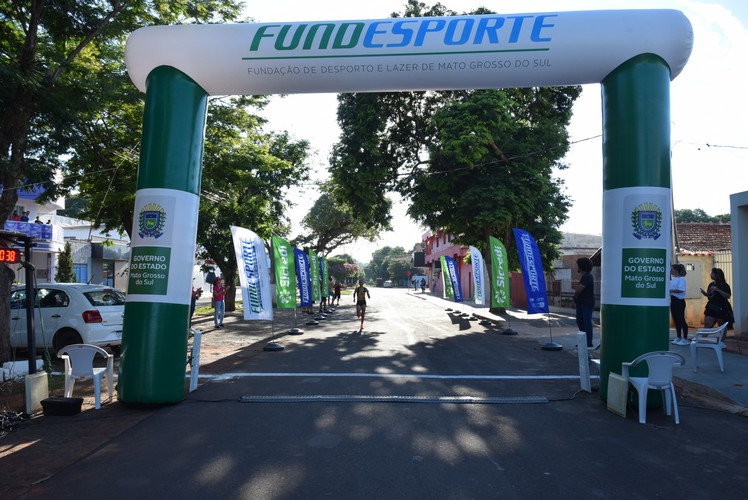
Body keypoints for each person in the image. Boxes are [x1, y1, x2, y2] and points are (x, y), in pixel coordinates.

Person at [573, 257, 595, 348]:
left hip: (585, 303)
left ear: (582, 266)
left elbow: (580, 289)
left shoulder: (587, 276)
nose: (577, 267)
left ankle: (588, 343)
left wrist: (575, 295)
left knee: (586, 323)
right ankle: (583, 342)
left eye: (578, 266)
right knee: (581, 322)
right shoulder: (586, 276)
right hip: (582, 302)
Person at [669, 263, 689, 345]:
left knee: (681, 319)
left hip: (679, 301)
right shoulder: (674, 279)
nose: (671, 271)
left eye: (672, 269)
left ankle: (685, 338)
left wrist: (671, 291)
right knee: (676, 319)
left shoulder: (681, 279)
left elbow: (681, 290)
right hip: (673, 300)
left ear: (676, 270)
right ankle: (678, 336)